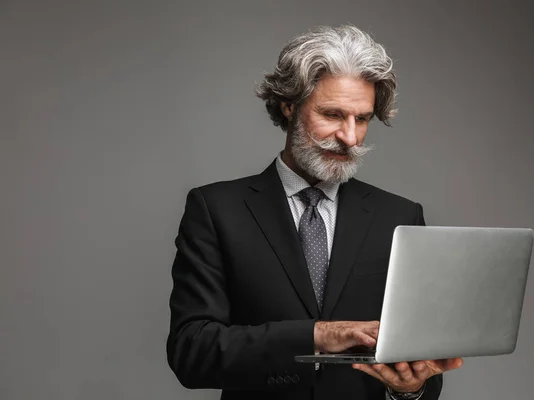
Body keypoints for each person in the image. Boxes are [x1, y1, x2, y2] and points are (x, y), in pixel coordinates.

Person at [166, 25, 463, 400]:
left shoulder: (400, 216)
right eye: (333, 114)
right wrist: (318, 335)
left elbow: (423, 365)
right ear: (289, 106)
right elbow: (192, 351)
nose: (350, 137)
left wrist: (412, 388)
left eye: (363, 119)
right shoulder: (216, 210)